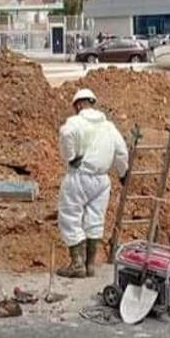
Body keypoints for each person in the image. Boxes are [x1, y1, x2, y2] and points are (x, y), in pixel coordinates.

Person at [56, 88, 129, 278]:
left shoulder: (75, 122)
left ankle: (77, 264)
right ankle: (90, 265)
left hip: (79, 176)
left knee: (70, 216)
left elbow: (66, 134)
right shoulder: (109, 127)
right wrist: (123, 173)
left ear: (79, 105)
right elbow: (121, 151)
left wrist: (70, 156)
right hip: (102, 180)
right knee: (95, 219)